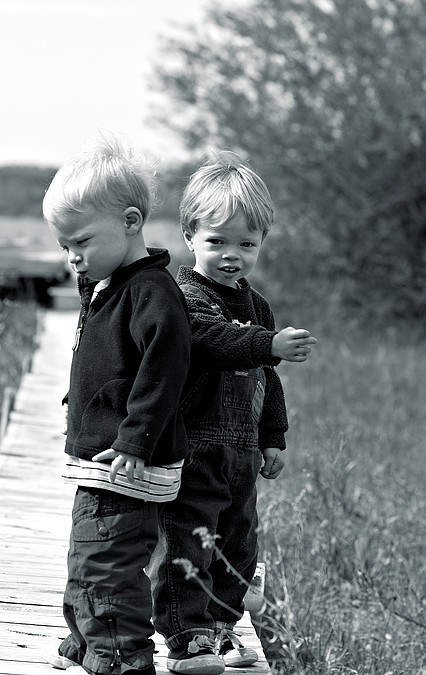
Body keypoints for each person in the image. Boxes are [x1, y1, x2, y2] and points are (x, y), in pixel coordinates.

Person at [149, 151, 317, 675]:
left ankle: (220, 630)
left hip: (241, 447)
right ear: (190, 234)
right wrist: (268, 344)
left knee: (239, 543)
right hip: (193, 445)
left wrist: (273, 438)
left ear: (262, 243)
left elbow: (267, 380)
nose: (231, 256)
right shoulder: (183, 298)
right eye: (217, 241)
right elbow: (210, 342)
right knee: (188, 541)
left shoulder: (257, 305)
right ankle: (186, 640)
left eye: (247, 244)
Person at [42, 134, 192, 675]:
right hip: (102, 457)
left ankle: (123, 655)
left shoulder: (151, 292)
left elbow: (165, 371)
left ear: (131, 222)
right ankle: (88, 638)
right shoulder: (109, 285)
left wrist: (134, 440)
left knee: (109, 562)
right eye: (64, 246)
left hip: (128, 459)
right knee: (87, 552)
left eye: (80, 240)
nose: (72, 256)